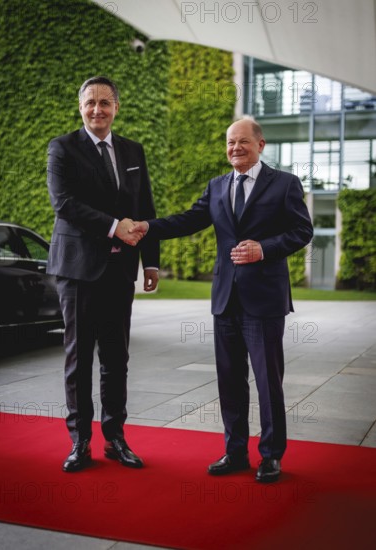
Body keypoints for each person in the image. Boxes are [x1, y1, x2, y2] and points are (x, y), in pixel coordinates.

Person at [132, 116, 313, 482]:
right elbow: (187, 220)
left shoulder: (285, 185)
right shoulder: (217, 186)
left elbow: (302, 230)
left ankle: (271, 455)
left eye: (243, 142)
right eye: (230, 143)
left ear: (260, 145)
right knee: (229, 380)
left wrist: (264, 248)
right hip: (225, 299)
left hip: (264, 301)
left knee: (267, 382)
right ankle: (234, 452)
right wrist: (148, 227)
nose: (235, 148)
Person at [46, 76, 159, 472]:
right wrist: (115, 226)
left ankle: (115, 438)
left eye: (105, 103)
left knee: (116, 358)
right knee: (79, 359)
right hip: (78, 270)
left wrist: (152, 261)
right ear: (80, 107)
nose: (98, 109)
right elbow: (64, 204)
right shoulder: (62, 148)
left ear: (116, 107)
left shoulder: (133, 150)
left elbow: (145, 206)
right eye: (91, 102)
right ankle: (80, 442)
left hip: (119, 271)